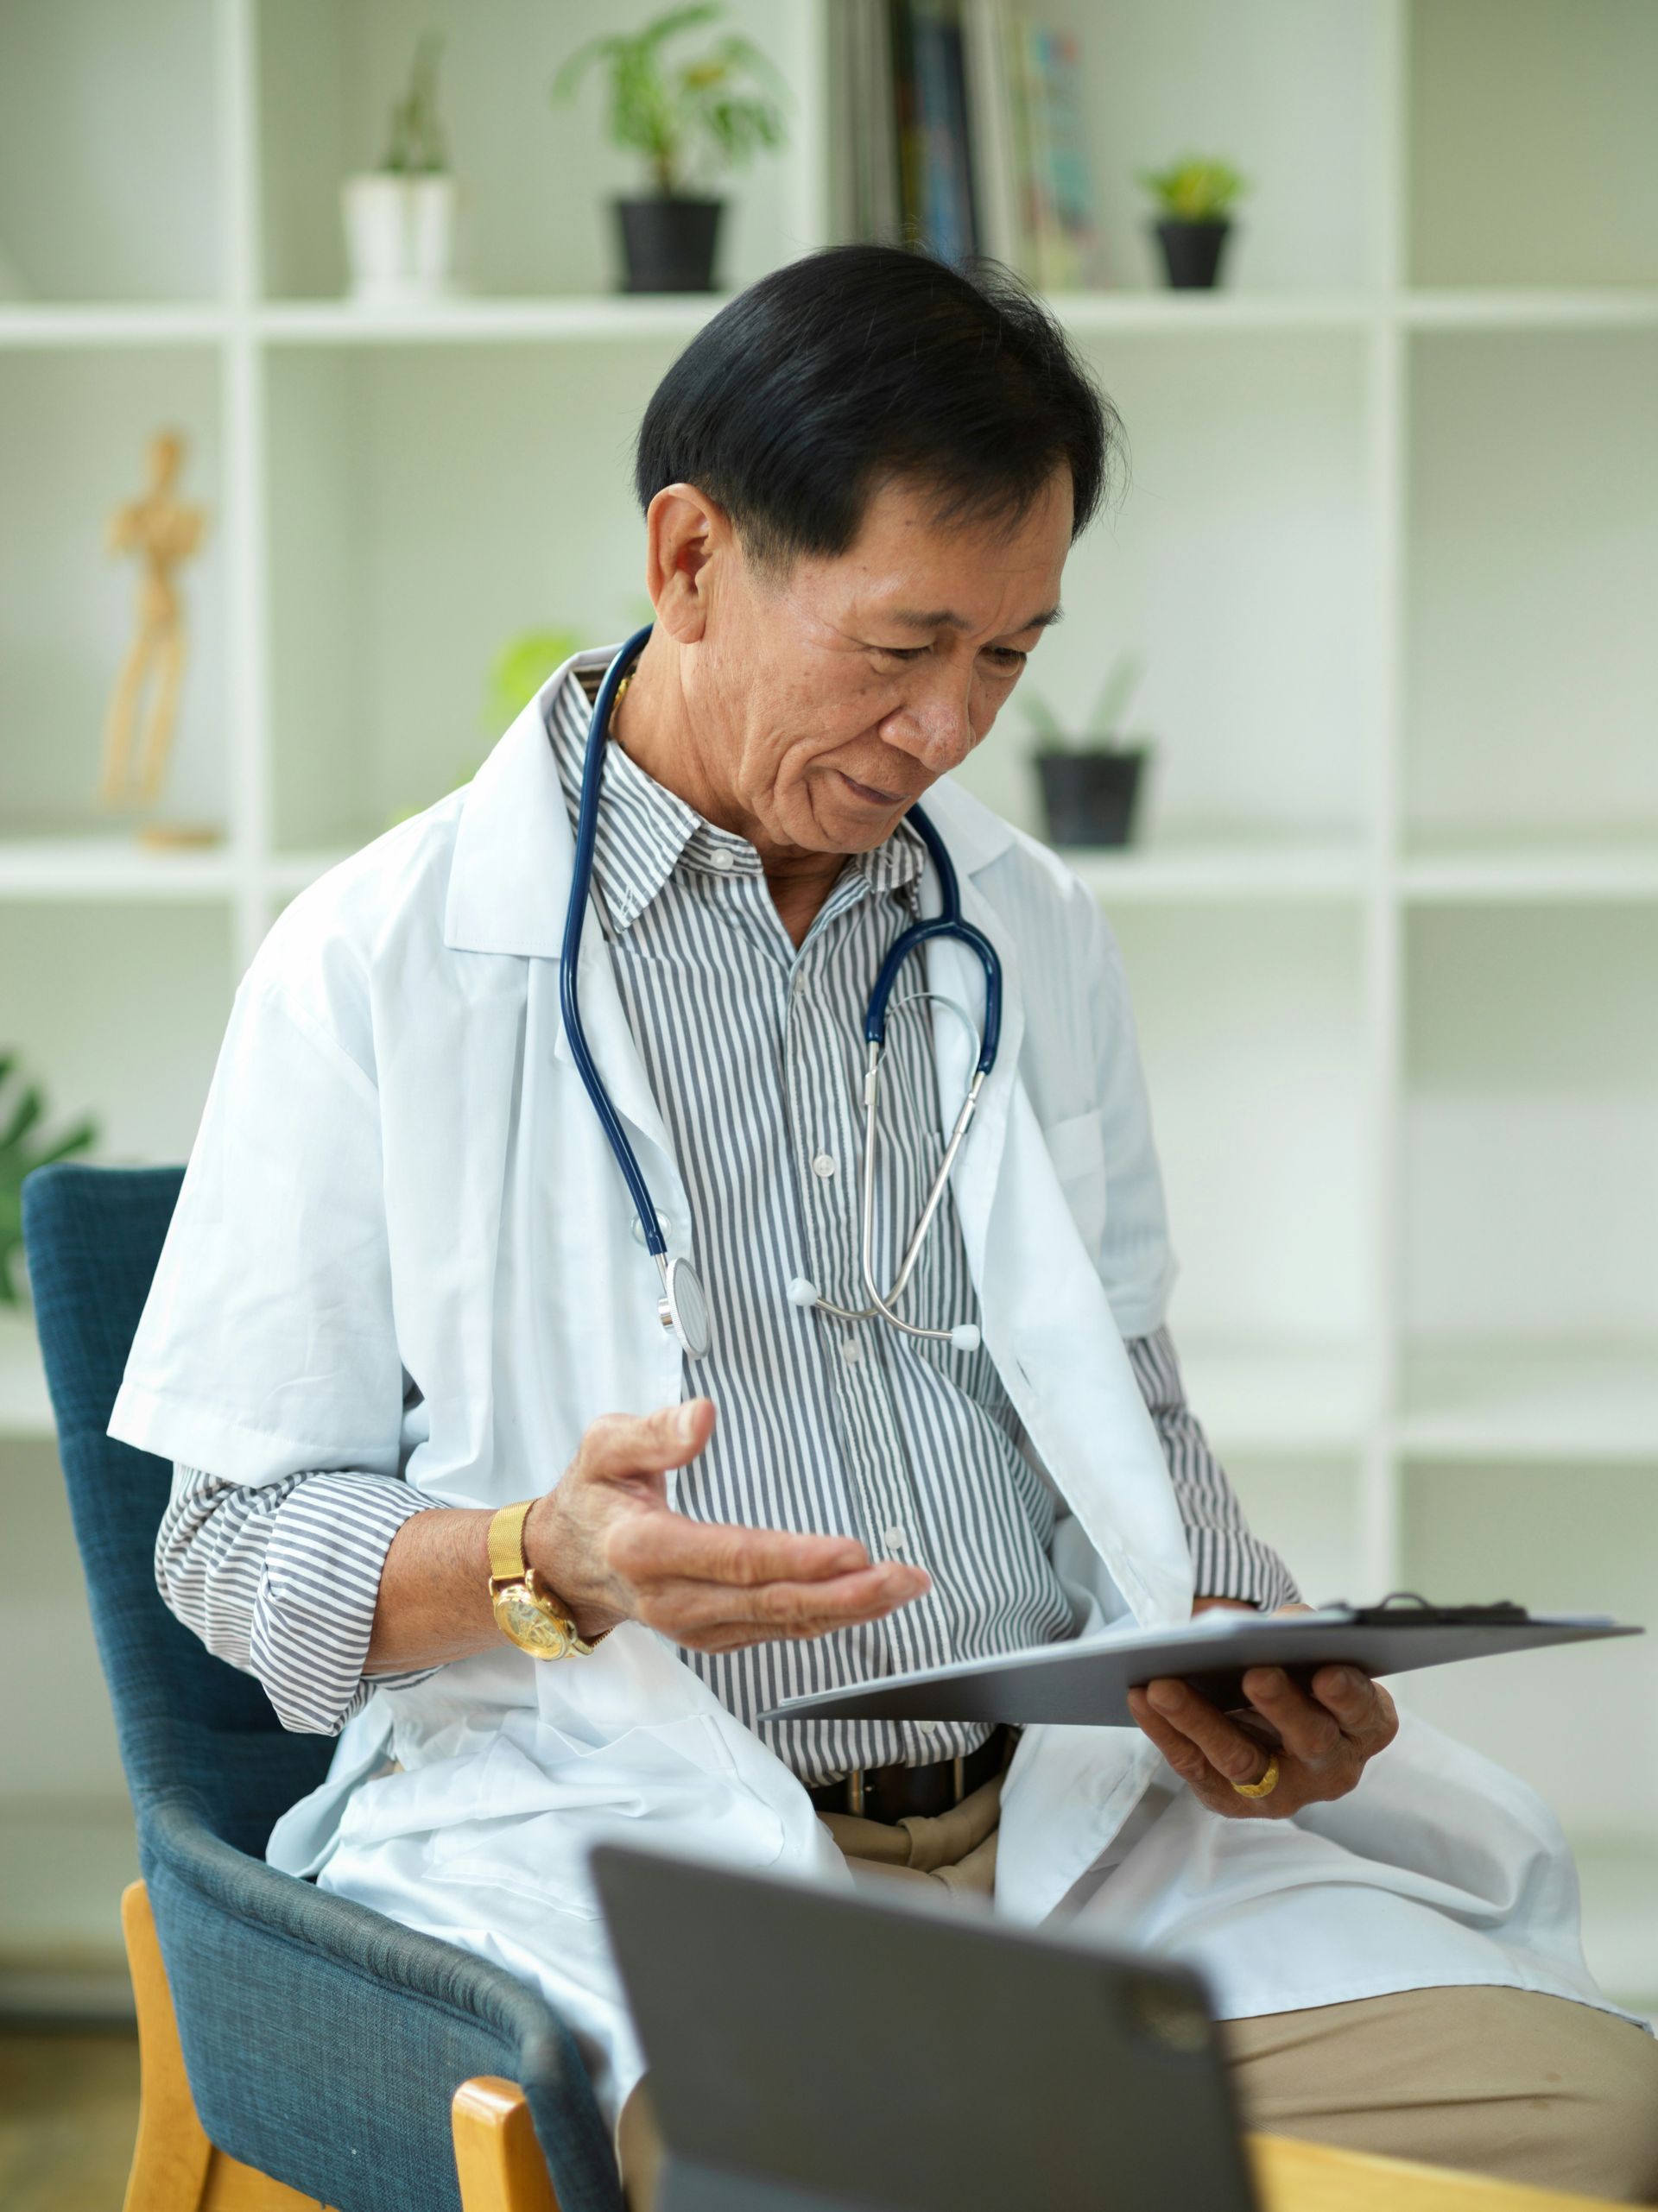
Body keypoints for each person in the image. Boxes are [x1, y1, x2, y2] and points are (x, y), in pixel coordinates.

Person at [109, 246, 1658, 2207]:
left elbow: (1125, 1398)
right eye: (899, 644)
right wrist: (547, 1557)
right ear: (689, 562)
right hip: (641, 1850)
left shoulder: (1026, 930)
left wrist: (1236, 1660)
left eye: (1007, 658)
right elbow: (230, 1553)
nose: (949, 730)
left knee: (1587, 2121)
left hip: (1077, 1844)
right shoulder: (377, 961)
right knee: (841, 2166)